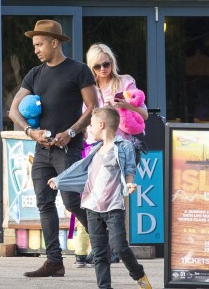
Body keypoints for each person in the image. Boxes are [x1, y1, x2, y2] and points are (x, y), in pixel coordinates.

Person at [8, 19, 98, 277]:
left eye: (40, 44)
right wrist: (30, 131)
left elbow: (92, 108)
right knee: (44, 204)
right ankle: (54, 262)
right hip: (42, 149)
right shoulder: (35, 74)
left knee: (71, 201)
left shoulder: (78, 70)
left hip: (69, 148)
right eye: (34, 44)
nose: (35, 49)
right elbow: (14, 109)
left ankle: (105, 241)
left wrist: (71, 132)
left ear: (54, 43)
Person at [48, 106, 152, 289]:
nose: (89, 129)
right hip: (92, 207)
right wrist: (60, 180)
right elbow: (78, 171)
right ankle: (104, 287)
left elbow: (129, 169)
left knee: (119, 246)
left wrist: (129, 184)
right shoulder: (94, 151)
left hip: (113, 207)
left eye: (92, 125)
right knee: (99, 252)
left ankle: (139, 275)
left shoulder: (122, 146)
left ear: (102, 125)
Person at [74, 43, 149, 268]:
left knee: (116, 197)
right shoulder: (88, 87)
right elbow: (84, 118)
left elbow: (144, 113)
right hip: (95, 148)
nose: (103, 69)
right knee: (96, 197)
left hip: (122, 147)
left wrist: (126, 105)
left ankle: (115, 248)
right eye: (97, 66)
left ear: (112, 62)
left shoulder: (125, 82)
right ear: (91, 67)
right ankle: (101, 248)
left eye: (106, 63)